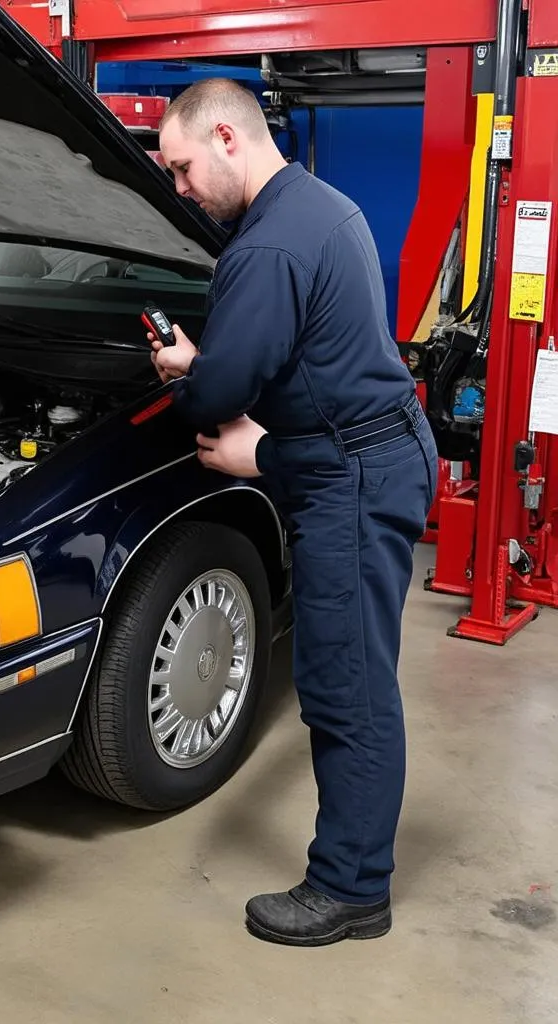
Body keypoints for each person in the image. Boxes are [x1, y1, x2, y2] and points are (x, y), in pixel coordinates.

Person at [148, 78, 438, 947]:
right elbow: (296, 353)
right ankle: (357, 874)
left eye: (183, 169)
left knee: (346, 691)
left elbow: (217, 399)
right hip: (378, 448)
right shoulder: (320, 204)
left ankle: (351, 889)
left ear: (229, 138)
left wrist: (213, 403)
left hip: (351, 474)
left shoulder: (266, 249)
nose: (182, 190)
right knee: (355, 678)